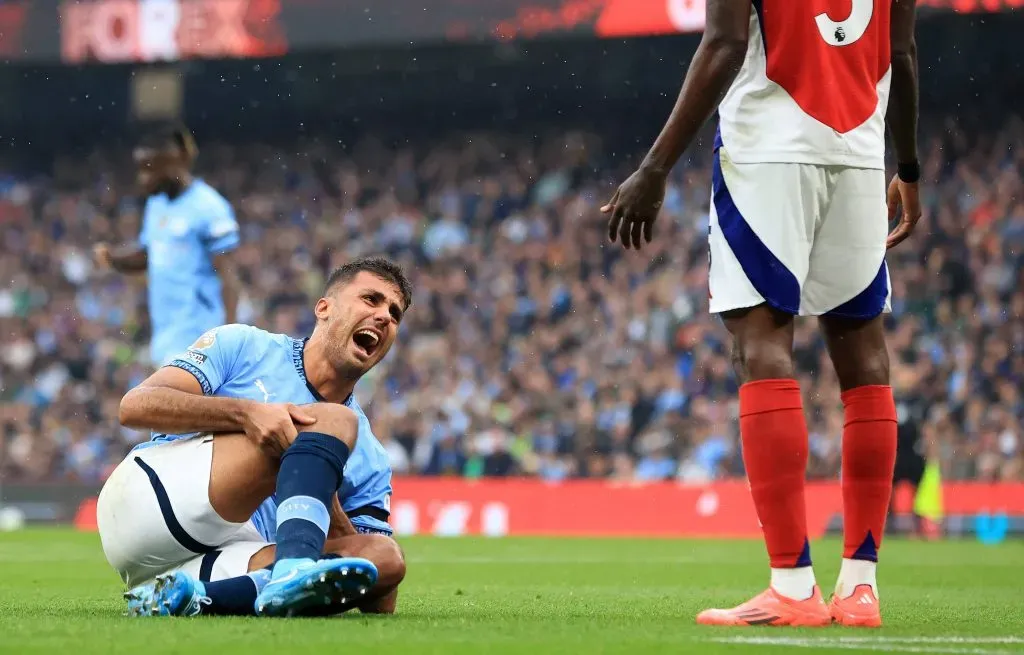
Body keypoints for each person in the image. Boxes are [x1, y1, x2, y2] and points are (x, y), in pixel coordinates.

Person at [602, 0, 921, 627]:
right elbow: (902, 55)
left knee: (762, 344)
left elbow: (723, 45)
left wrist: (654, 167)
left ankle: (794, 586)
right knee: (864, 355)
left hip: (769, 148)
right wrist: (907, 167)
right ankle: (860, 589)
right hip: (858, 152)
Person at [96, 256, 411, 617]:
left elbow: (379, 596)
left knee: (387, 556)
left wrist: (325, 489)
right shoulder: (245, 345)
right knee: (330, 422)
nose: (385, 316)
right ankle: (291, 570)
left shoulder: (370, 458)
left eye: (395, 313)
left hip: (228, 557)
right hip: (148, 507)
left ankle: (197, 597)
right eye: (371, 299)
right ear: (324, 308)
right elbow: (135, 406)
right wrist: (246, 414)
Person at [94, 124, 241, 367]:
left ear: (173, 164)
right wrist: (113, 259)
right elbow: (149, 255)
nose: (143, 179)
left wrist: (230, 340)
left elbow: (229, 278)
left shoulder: (209, 208)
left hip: (199, 334)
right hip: (165, 333)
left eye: (150, 170)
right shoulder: (157, 205)